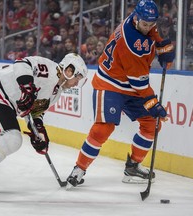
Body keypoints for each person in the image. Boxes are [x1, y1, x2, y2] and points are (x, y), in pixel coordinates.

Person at [0, 53, 88, 199]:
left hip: (4, 102)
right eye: (77, 78)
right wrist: (27, 88)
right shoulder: (48, 68)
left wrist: (38, 131)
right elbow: (21, 63)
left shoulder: (56, 93)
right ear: (69, 71)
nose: (77, 83)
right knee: (12, 139)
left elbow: (34, 112)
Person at [66, 0, 175, 188]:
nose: (148, 27)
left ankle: (132, 167)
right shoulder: (131, 42)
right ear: (137, 19)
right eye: (145, 24)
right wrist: (153, 103)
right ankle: (79, 168)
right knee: (103, 128)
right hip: (110, 83)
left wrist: (161, 46)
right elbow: (139, 83)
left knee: (152, 124)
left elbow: (152, 32)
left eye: (151, 24)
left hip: (130, 84)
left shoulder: (138, 20)